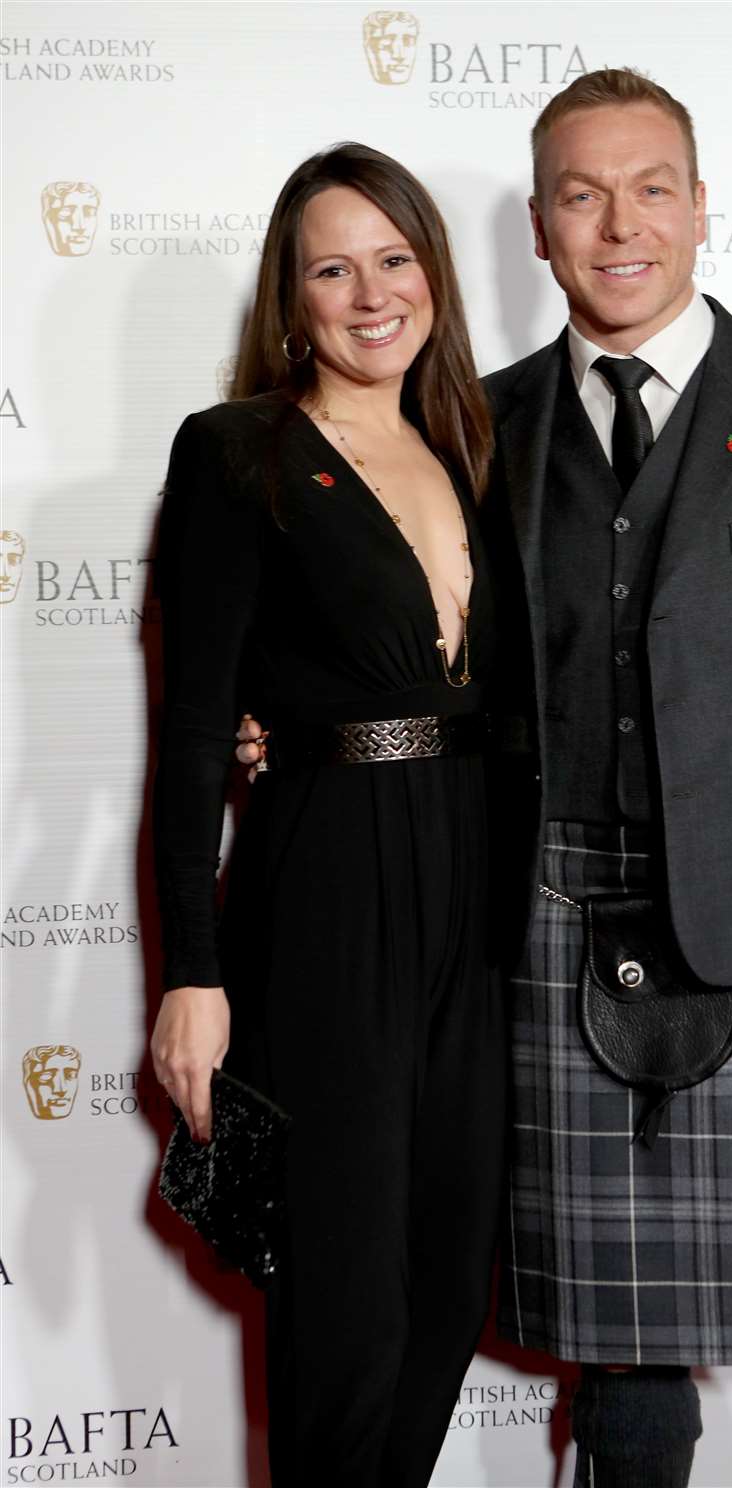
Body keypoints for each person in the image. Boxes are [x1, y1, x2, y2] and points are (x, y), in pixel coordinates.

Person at [239, 69, 732, 1488]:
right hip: (558, 936)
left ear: (703, 211)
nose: (617, 223)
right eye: (581, 194)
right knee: (626, 1374)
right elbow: (406, 636)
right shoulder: (478, 425)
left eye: (650, 189)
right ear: (538, 226)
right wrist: (274, 725)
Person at [150, 141, 505, 1487]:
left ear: (434, 271)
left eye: (395, 259)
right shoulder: (239, 450)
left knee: (441, 1282)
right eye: (332, 269)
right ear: (289, 298)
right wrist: (192, 972)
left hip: (478, 906)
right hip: (327, 897)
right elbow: (193, 736)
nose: (371, 296)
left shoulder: (479, 444)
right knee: (344, 1305)